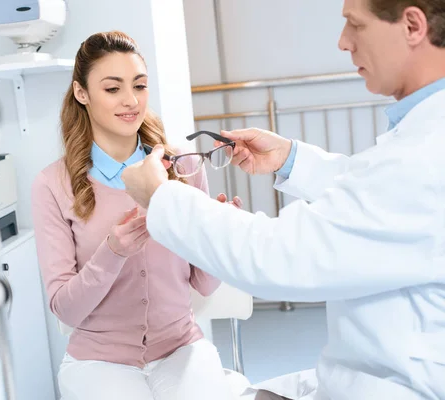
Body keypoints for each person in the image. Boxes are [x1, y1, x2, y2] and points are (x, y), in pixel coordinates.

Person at [121, 0, 445, 399]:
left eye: (355, 25)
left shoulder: (425, 157)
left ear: (412, 25)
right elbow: (374, 198)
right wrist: (292, 159)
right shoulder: (421, 142)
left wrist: (161, 197)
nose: (344, 43)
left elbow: (276, 254)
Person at [30, 31, 237, 400]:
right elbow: (65, 309)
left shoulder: (184, 166)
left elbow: (203, 284)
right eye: (112, 89)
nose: (131, 101)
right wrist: (112, 252)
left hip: (181, 348)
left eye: (139, 86)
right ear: (82, 93)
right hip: (97, 361)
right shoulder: (52, 184)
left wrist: (221, 236)